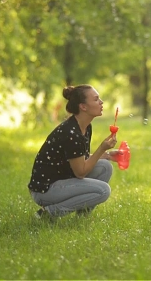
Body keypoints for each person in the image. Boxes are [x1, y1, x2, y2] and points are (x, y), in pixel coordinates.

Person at [28, 84, 121, 218]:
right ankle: (48, 214)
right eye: (96, 99)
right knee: (103, 191)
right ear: (83, 107)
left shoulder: (85, 127)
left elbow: (77, 158)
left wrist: (108, 155)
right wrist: (101, 148)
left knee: (105, 167)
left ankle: (81, 217)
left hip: (62, 181)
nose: (101, 102)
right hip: (45, 190)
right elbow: (81, 172)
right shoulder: (71, 133)